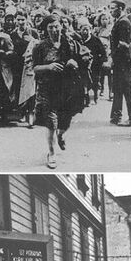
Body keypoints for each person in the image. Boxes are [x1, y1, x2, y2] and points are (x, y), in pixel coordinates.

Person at [32, 14, 85, 168]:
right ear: (45, 29)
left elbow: (85, 59)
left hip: (67, 88)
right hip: (47, 89)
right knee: (51, 124)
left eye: (56, 26)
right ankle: (51, 152)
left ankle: (61, 135)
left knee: (65, 122)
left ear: (61, 26)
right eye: (50, 27)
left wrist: (74, 62)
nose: (54, 30)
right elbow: (35, 68)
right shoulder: (40, 47)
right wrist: (48, 67)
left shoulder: (71, 43)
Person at [109, 0, 131, 126]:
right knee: (119, 89)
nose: (111, 11)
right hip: (121, 61)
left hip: (123, 62)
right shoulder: (120, 21)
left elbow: (123, 44)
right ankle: (116, 116)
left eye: (113, 8)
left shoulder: (123, 22)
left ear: (120, 8)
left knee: (126, 90)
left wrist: (113, 57)